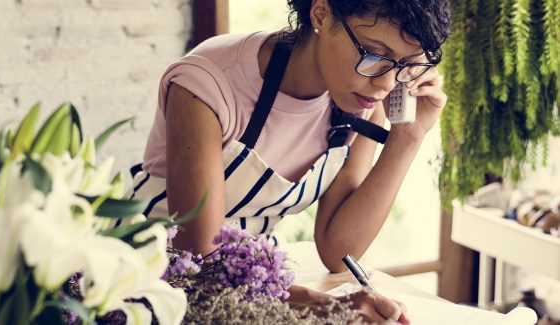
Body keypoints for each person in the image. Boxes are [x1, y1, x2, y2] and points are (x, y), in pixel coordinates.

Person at [127, 0, 451, 323]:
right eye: (372, 53)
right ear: (321, 13)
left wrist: (409, 137)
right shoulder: (206, 84)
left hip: (251, 294)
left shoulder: (361, 96)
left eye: (407, 64)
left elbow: (339, 251)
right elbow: (202, 261)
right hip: (147, 280)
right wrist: (325, 306)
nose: (386, 83)